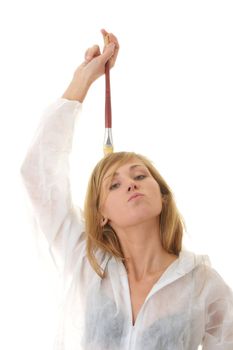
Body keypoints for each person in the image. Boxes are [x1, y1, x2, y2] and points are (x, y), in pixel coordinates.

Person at [20, 29, 233, 350]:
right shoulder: (86, 263)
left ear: (162, 195)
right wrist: (84, 79)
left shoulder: (202, 284)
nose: (131, 183)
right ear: (101, 213)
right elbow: (37, 173)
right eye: (114, 184)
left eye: (140, 176)